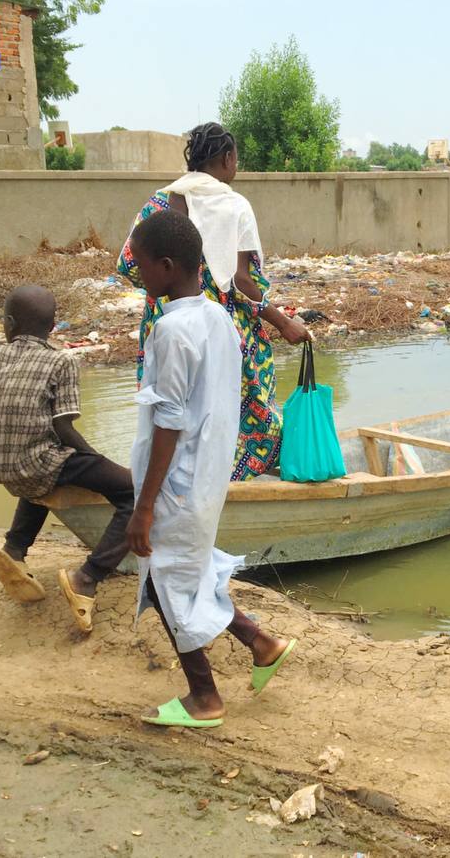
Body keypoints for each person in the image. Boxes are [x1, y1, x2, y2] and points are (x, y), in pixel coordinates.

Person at [125, 209, 296, 729]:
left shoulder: (172, 330)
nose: (137, 274)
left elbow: (170, 421)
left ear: (168, 265)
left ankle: (205, 696)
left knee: (164, 580)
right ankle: (261, 643)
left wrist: (145, 506)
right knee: (187, 571)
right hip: (206, 474)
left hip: (177, 481)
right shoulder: (219, 318)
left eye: (141, 265)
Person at [116, 122, 311, 480]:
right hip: (222, 329)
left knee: (169, 407)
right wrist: (283, 323)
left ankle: (163, 482)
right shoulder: (234, 205)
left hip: (166, 323)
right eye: (235, 158)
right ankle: (233, 481)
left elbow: (128, 265)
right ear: (227, 158)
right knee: (249, 409)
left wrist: (166, 293)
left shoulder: (159, 201)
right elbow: (240, 280)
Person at [0, 285, 134, 633]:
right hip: (35, 460)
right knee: (133, 491)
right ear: (53, 325)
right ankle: (88, 577)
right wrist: (97, 459)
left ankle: (14, 550)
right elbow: (62, 427)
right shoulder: (60, 360)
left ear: (10, 323)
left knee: (40, 469)